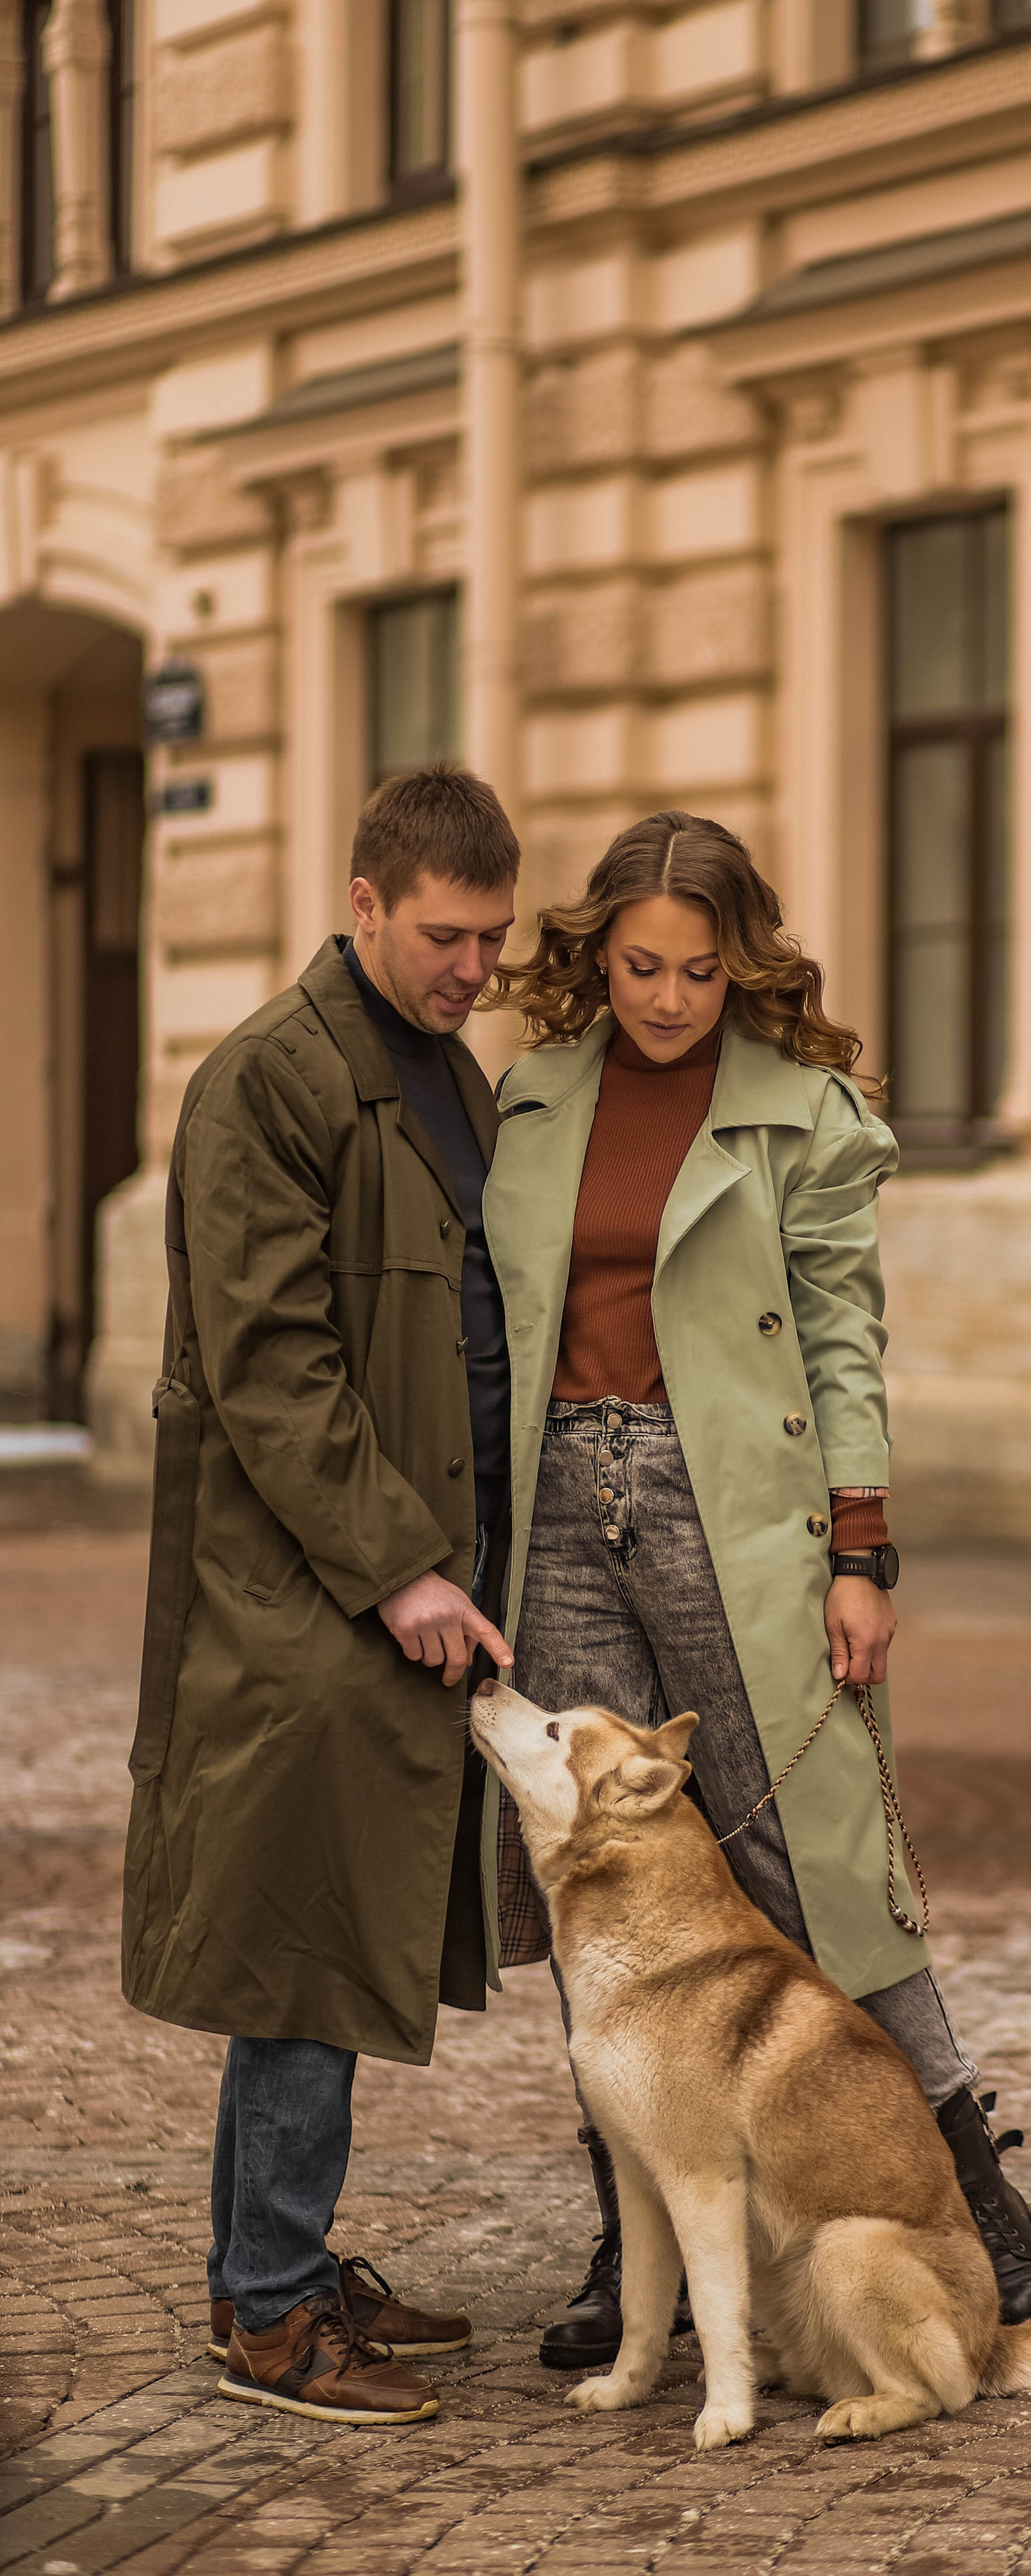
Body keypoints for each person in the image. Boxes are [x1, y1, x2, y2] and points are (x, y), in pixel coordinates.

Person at [484, 807, 1031, 2372]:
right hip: (556, 1507)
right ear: (595, 956)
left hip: (727, 1502)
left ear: (745, 966)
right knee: (593, 1874)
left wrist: (862, 1550)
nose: (667, 998)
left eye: (697, 969)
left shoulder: (799, 1110)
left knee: (804, 1855)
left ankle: (979, 2209)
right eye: (638, 966)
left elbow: (843, 1338)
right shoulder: (529, 1097)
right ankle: (635, 2246)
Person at [121, 766, 521, 2425]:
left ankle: (268, 2268)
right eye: (445, 935)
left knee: (328, 1935)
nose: (474, 968)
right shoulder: (268, 1084)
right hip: (302, 1602)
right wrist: (403, 1569)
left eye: (492, 939)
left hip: (377, 1585)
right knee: (302, 1944)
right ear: (363, 904)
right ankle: (272, 2315)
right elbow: (274, 1370)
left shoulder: (442, 1073)